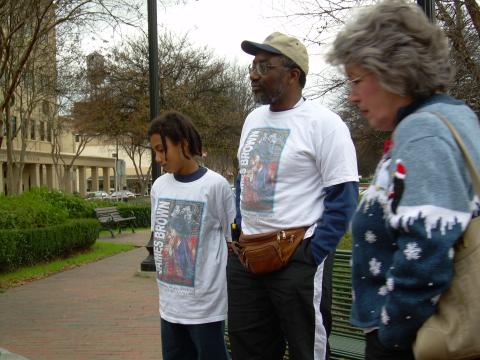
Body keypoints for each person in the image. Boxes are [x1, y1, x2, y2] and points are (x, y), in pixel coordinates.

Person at [326, 1, 480, 359]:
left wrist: (392, 333)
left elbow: (425, 245)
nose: (351, 95)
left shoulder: (423, 131)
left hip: (421, 341)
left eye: (356, 80)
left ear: (391, 70)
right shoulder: (454, 117)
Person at [227, 32, 359, 360]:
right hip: (249, 257)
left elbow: (344, 196)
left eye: (263, 66)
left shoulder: (325, 124)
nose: (253, 74)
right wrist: (239, 229)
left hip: (296, 257)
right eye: (252, 66)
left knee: (307, 351)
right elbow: (245, 180)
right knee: (249, 350)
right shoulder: (252, 119)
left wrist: (311, 255)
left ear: (292, 74)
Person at [149, 110, 236, 360]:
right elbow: (160, 237)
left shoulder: (215, 186)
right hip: (169, 306)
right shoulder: (159, 187)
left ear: (183, 144)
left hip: (205, 308)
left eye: (162, 149)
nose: (158, 158)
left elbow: (233, 242)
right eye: (155, 151)